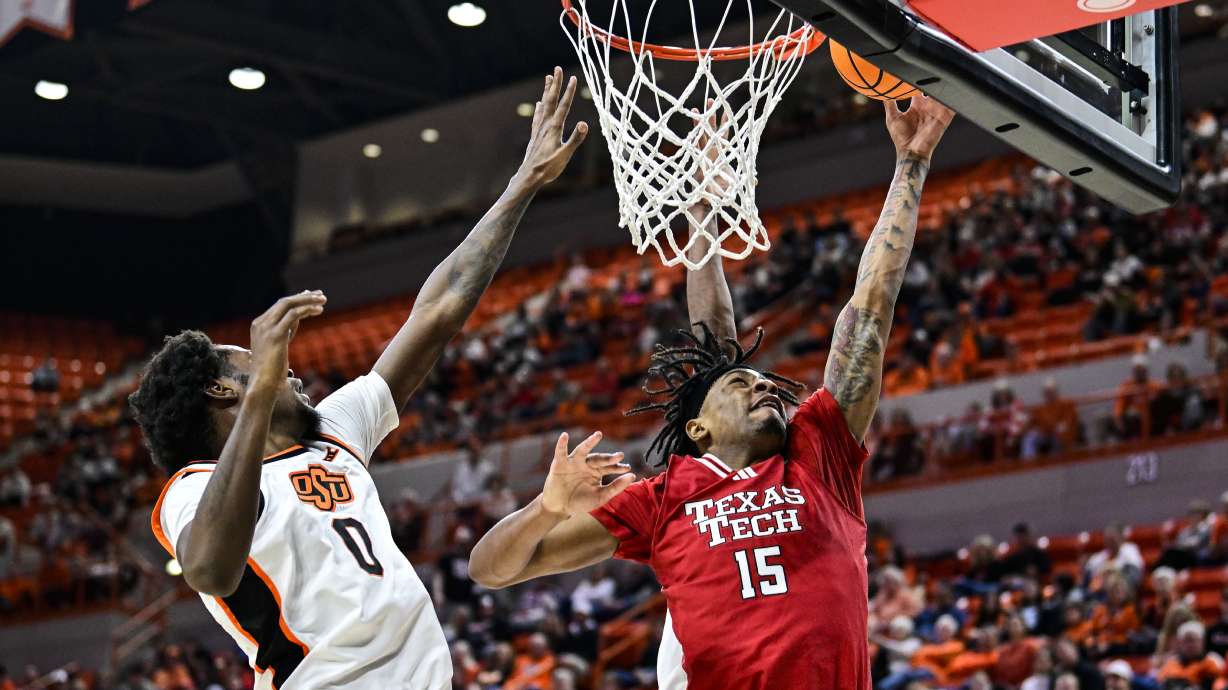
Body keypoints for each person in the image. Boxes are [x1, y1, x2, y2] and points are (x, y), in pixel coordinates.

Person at [469, 96, 956, 690]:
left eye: (767, 384)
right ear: (698, 429)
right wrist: (544, 508)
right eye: (742, 383)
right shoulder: (661, 498)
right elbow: (490, 569)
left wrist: (911, 163)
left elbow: (868, 315)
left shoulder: (816, 453)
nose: (765, 389)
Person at [132, 68, 589, 690]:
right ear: (223, 390)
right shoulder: (193, 489)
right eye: (255, 366)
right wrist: (264, 391)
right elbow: (210, 570)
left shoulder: (333, 431)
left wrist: (522, 185)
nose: (288, 373)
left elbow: (437, 311)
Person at [1156, 621, 1224, 688]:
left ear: (1202, 641)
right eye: (1186, 641)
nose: (1189, 645)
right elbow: (1160, 681)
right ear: (1180, 643)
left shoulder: (1213, 660)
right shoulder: (1172, 662)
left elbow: (1221, 682)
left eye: (1193, 640)